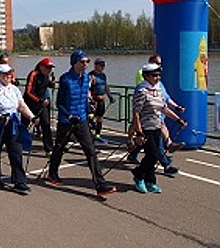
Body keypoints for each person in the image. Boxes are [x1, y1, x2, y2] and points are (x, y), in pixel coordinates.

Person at [47, 50, 117, 197]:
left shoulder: (86, 78)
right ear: (75, 62)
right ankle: (52, 173)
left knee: (90, 151)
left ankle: (100, 184)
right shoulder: (65, 79)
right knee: (59, 148)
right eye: (82, 62)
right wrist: (69, 115)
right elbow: (59, 103)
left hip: (82, 120)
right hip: (66, 121)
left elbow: (85, 99)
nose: (85, 64)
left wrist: (89, 115)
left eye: (87, 62)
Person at [0, 63, 39, 193]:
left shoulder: (14, 89)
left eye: (10, 74)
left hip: (12, 122)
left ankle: (19, 181)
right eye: (5, 74)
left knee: (16, 151)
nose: (8, 76)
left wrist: (32, 117)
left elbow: (21, 105)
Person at [130, 63, 187, 194]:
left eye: (159, 75)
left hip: (157, 126)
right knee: (153, 155)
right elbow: (136, 113)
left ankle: (150, 182)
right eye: (155, 75)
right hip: (146, 128)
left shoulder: (158, 90)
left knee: (155, 156)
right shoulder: (141, 90)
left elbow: (163, 109)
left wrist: (178, 120)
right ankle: (138, 175)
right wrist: (138, 133)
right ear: (146, 76)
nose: (158, 78)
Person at [21, 57, 56, 156]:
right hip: (30, 103)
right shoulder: (33, 74)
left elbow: (45, 84)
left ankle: (49, 149)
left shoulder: (46, 76)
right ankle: (19, 144)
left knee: (46, 124)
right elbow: (28, 92)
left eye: (50, 68)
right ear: (41, 67)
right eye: (47, 67)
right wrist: (40, 100)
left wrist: (51, 84)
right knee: (24, 124)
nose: (49, 70)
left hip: (42, 105)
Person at [89, 58, 116, 144]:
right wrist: (90, 99)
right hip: (94, 100)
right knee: (91, 118)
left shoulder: (103, 76)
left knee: (100, 119)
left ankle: (98, 136)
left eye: (103, 65)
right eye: (101, 65)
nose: (103, 67)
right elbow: (87, 88)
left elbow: (106, 87)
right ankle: (88, 136)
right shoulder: (91, 75)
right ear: (96, 65)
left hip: (101, 100)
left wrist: (110, 97)